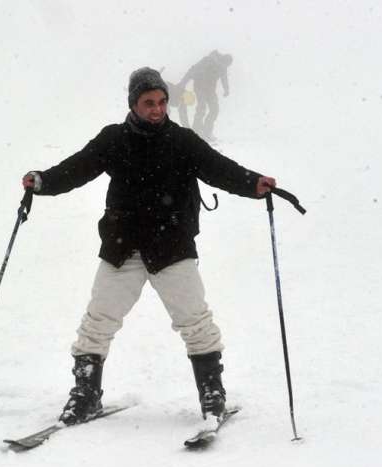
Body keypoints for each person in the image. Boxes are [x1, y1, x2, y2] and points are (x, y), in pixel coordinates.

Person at [21, 67, 276, 425]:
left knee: (195, 322)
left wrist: (253, 183)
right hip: (121, 246)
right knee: (97, 323)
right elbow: (77, 168)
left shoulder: (183, 140)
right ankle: (86, 395)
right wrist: (43, 181)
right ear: (133, 104)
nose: (157, 109)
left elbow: (219, 168)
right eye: (148, 103)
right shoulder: (113, 139)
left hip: (172, 246)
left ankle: (212, 395)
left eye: (161, 102)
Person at [178, 50, 233, 142]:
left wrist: (226, 89)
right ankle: (196, 131)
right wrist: (183, 82)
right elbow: (193, 70)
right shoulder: (208, 60)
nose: (225, 68)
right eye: (225, 65)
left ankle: (207, 131)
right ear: (223, 59)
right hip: (200, 87)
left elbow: (224, 78)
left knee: (214, 109)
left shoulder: (223, 67)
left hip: (210, 89)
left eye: (226, 66)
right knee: (202, 107)